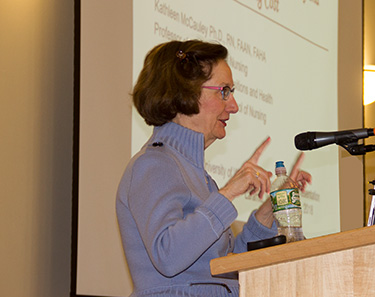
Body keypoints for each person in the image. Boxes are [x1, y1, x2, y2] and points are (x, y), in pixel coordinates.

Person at [116, 40, 311, 297]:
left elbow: (224, 270)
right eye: (224, 91)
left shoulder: (201, 178)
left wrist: (268, 213)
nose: (234, 105)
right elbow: (168, 256)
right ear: (184, 93)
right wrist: (228, 193)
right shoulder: (153, 164)